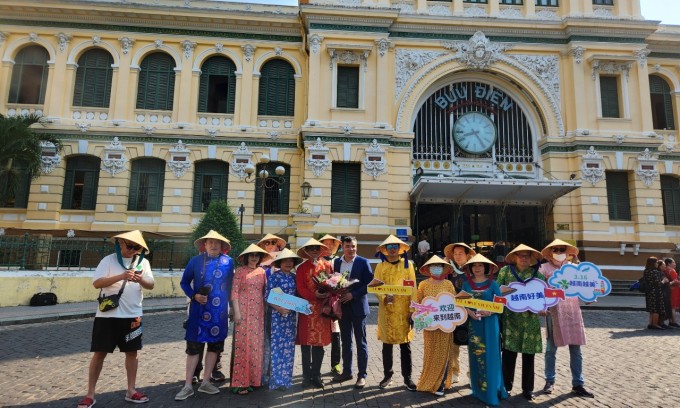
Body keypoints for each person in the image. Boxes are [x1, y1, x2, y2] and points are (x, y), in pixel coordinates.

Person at [76, 230, 155, 408]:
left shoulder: (144, 263)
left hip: (133, 315)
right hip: (107, 316)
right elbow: (97, 283)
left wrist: (140, 280)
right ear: (120, 244)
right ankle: (90, 394)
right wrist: (121, 276)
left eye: (137, 247)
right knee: (99, 353)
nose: (133, 250)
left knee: (132, 353)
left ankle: (131, 390)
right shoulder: (108, 260)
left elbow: (150, 285)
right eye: (130, 246)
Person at [175, 230, 234, 401]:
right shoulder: (195, 261)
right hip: (198, 310)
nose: (214, 245)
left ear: (222, 246)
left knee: (214, 347)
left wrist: (231, 306)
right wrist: (194, 295)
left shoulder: (228, 262)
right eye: (210, 242)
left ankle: (206, 381)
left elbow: (231, 286)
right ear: (205, 245)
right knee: (194, 348)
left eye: (217, 243)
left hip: (219, 313)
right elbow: (184, 282)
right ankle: (187, 385)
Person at [539, 239, 594, 398]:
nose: (559, 252)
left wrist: (589, 297)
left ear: (567, 252)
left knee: (576, 349)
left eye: (562, 249)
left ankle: (578, 383)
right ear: (550, 252)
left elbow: (585, 288)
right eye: (555, 249)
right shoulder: (544, 269)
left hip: (573, 311)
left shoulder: (575, 269)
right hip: (553, 312)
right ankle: (550, 380)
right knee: (551, 349)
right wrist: (542, 307)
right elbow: (540, 290)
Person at [495, 244, 545, 401]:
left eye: (526, 256)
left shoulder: (537, 275)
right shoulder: (505, 272)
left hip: (530, 321)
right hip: (511, 320)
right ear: (514, 257)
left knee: (529, 357)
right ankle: (506, 387)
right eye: (520, 255)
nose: (523, 258)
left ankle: (528, 389)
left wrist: (543, 307)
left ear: (531, 258)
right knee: (509, 355)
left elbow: (545, 294)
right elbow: (497, 293)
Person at [461, 254, 508, 406]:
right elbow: (462, 303)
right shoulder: (466, 285)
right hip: (475, 325)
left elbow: (501, 304)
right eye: (474, 266)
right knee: (477, 355)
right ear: (470, 268)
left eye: (480, 265)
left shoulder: (493, 284)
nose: (477, 268)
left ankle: (493, 389)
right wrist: (470, 313)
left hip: (490, 324)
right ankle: (479, 389)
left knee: (492, 356)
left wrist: (491, 312)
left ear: (486, 267)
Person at [373, 235, 418, 391]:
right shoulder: (380, 267)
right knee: (387, 345)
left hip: (403, 310)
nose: (392, 250)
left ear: (400, 249)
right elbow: (375, 286)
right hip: (386, 310)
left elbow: (413, 288)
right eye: (389, 247)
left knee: (406, 345)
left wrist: (413, 310)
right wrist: (384, 297)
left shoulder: (408, 266)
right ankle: (387, 375)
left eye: (395, 247)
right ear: (385, 250)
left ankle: (408, 377)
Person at [331, 236, 374, 389]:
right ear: (342, 246)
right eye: (348, 246)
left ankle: (362, 375)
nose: (351, 249)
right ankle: (347, 371)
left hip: (358, 308)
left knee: (360, 342)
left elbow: (370, 284)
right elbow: (335, 281)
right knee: (346, 341)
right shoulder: (336, 262)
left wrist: (353, 294)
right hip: (343, 308)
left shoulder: (363, 262)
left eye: (354, 246)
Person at [230, 244, 272, 394]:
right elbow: (234, 293)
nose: (254, 257)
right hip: (243, 312)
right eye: (251, 255)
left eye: (256, 255)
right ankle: (241, 382)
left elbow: (267, 293)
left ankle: (254, 380)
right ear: (246, 257)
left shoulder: (262, 272)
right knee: (243, 347)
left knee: (256, 347)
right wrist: (237, 312)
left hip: (259, 315)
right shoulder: (240, 271)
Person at [415, 255, 457, 396]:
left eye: (439, 266)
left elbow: (454, 305)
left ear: (444, 268)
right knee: (431, 353)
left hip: (445, 326)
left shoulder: (448, 284)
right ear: (428, 269)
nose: (436, 269)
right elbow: (418, 304)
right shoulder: (423, 285)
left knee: (444, 354)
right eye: (433, 266)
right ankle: (429, 381)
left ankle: (440, 384)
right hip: (430, 327)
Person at [295, 238, 333, 388]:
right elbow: (300, 288)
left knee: (319, 344)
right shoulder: (301, 268)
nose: (314, 251)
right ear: (306, 251)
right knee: (306, 344)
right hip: (306, 308)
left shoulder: (327, 265)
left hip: (322, 309)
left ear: (321, 250)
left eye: (317, 248)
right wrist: (313, 295)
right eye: (311, 248)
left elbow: (332, 283)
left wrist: (328, 292)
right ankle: (306, 376)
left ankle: (316, 375)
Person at [265, 248, 304, 390]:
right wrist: (279, 308)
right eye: (285, 261)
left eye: (290, 261)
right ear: (280, 263)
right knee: (276, 348)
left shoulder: (295, 277)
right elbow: (267, 297)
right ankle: (275, 381)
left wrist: (302, 305)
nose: (288, 263)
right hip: (277, 317)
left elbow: (299, 297)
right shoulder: (274, 277)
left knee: (288, 348)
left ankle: (286, 380)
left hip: (291, 318)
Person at [443, 242, 477, 383]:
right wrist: (443, 265)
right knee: (453, 343)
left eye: (460, 253)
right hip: (454, 310)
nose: (457, 256)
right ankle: (454, 371)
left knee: (472, 342)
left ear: (468, 255)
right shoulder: (449, 270)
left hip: (471, 310)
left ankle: (472, 374)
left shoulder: (474, 269)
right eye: (455, 254)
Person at [256, 233, 287, 386]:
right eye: (266, 242)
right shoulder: (258, 264)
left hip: (277, 309)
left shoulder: (280, 264)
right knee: (263, 342)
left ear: (277, 246)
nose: (269, 245)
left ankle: (274, 373)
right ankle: (261, 373)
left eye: (272, 242)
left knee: (276, 341)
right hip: (258, 307)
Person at [320, 234, 343, 376]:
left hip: (337, 302)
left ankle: (335, 364)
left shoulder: (340, 261)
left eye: (332, 244)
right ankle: (315, 365)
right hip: (322, 301)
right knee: (320, 334)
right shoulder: (319, 262)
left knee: (336, 335)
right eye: (326, 244)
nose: (329, 246)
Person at [644, 256, 667, 330]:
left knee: (651, 309)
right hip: (656, 292)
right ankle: (655, 324)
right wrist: (664, 280)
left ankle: (650, 323)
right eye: (656, 262)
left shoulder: (646, 270)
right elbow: (658, 283)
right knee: (656, 309)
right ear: (653, 263)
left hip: (649, 291)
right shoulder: (655, 271)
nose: (657, 263)